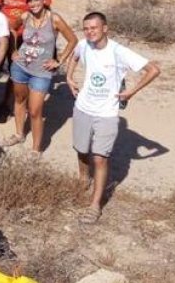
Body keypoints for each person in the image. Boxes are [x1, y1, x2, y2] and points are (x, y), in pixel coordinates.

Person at [64, 12, 161, 223]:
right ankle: (83, 179)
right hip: (82, 107)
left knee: (100, 158)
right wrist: (69, 77)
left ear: (105, 28)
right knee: (81, 149)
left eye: (94, 28)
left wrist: (131, 92)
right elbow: (75, 55)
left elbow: (153, 70)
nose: (90, 32)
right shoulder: (83, 44)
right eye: (86, 28)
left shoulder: (119, 52)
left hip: (107, 113)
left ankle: (95, 205)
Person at [5, 0, 78, 152]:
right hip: (20, 66)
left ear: (44, 1)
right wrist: (13, 50)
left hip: (41, 72)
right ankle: (19, 134)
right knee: (19, 100)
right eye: (30, 0)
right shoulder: (25, 16)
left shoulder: (55, 19)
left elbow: (73, 40)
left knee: (35, 110)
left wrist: (59, 60)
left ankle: (36, 149)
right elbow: (11, 29)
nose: (33, 3)